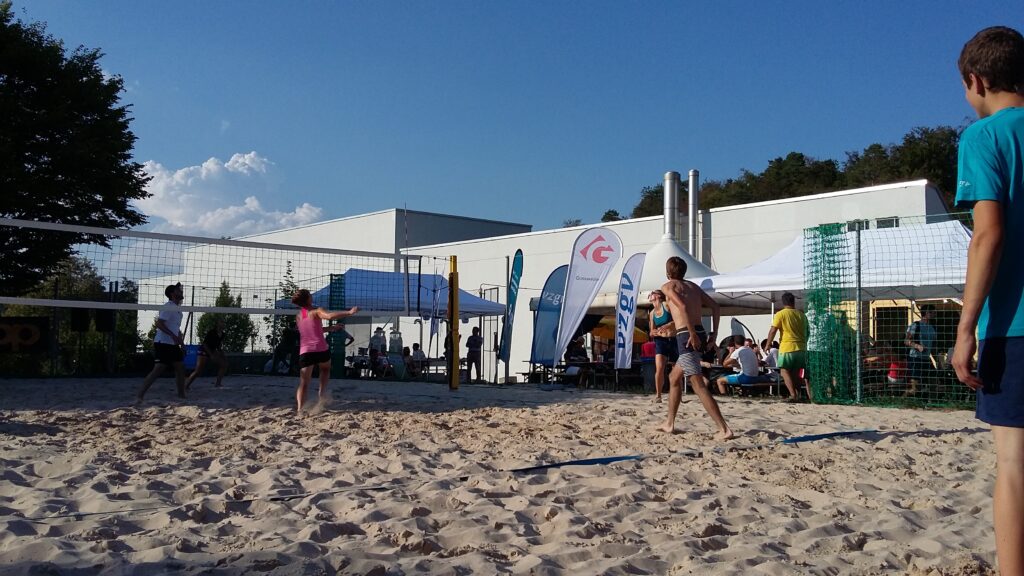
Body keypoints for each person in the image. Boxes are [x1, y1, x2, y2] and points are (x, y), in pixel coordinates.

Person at [950, 25, 1024, 575]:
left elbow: (988, 235)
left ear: (976, 80)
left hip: (1015, 324)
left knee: (1015, 467)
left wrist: (965, 328)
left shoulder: (984, 137)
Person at [658, 256, 733, 440]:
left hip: (687, 336)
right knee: (674, 377)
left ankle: (724, 429)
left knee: (698, 384)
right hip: (698, 332)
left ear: (668, 272)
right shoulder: (693, 287)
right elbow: (715, 307)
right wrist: (714, 333)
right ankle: (669, 423)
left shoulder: (667, 286)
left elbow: (682, 307)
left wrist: (691, 332)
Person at [291, 289, 359, 415]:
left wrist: (332, 328)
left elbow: (314, 330)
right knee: (325, 369)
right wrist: (349, 312)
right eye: (310, 295)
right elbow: (329, 316)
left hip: (306, 351)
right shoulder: (316, 310)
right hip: (320, 349)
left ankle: (300, 409)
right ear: (308, 299)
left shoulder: (299, 316)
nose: (312, 296)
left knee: (304, 383)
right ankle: (321, 395)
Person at [137, 283, 187, 403]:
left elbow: (177, 329)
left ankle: (181, 395)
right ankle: (139, 396)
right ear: (172, 294)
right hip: (163, 343)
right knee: (158, 370)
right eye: (178, 290)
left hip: (173, 344)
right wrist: (172, 335)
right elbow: (159, 323)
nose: (181, 292)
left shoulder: (178, 310)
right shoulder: (168, 307)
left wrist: (182, 344)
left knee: (180, 368)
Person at [766, 292, 810, 401]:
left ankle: (793, 395)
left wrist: (768, 344)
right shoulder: (802, 315)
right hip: (801, 348)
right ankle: (798, 394)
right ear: (794, 302)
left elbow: (773, 330)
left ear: (783, 302)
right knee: (796, 373)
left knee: (784, 371)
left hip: (787, 346)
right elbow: (808, 331)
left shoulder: (781, 314)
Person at [647, 290, 679, 403]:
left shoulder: (666, 305)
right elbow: (651, 331)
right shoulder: (652, 313)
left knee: (676, 369)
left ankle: (677, 395)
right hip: (660, 341)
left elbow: (678, 319)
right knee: (659, 368)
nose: (650, 294)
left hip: (673, 339)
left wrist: (667, 325)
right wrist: (653, 332)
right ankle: (658, 395)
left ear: (658, 296)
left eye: (652, 293)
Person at [185, 318, 228, 389]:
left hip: (212, 350)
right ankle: (186, 385)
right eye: (221, 322)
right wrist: (211, 355)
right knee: (198, 370)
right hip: (204, 350)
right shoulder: (212, 332)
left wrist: (222, 355)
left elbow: (218, 346)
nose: (223, 324)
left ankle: (218, 384)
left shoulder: (222, 334)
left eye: (224, 322)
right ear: (217, 324)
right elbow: (205, 344)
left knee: (224, 364)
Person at [904, 304, 937, 397]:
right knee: (915, 388)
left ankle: (930, 401)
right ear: (926, 313)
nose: (935, 314)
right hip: (915, 358)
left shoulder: (932, 328)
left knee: (934, 382)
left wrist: (937, 360)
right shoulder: (915, 325)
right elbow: (906, 341)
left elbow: (933, 346)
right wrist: (917, 346)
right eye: (933, 312)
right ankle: (903, 398)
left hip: (926, 359)